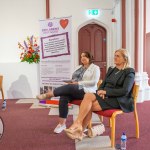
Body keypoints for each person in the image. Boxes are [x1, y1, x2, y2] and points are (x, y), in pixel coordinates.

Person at [64, 48, 135, 140]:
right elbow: (103, 84)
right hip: (105, 96)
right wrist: (100, 91)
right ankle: (79, 127)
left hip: (118, 99)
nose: (115, 57)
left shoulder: (129, 71)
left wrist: (106, 92)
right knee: (88, 95)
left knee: (87, 106)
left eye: (118, 56)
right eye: (115, 55)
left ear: (125, 59)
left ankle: (79, 129)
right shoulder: (111, 69)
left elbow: (125, 90)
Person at [36, 51, 100, 133]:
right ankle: (62, 124)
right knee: (63, 97)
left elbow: (94, 82)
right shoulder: (78, 67)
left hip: (87, 90)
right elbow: (74, 78)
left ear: (90, 58)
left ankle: (49, 94)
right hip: (74, 89)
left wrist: (77, 83)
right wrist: (72, 81)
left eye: (85, 56)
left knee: (70, 87)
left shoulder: (95, 68)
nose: (82, 58)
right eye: (81, 56)